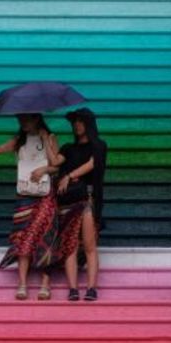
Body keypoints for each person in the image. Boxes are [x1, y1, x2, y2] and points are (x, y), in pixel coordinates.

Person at [0, 114, 63, 300]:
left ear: (36, 119)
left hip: (45, 194)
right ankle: (22, 284)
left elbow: (56, 165)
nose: (22, 122)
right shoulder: (19, 140)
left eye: (25, 119)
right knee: (23, 237)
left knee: (46, 236)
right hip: (24, 195)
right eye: (20, 120)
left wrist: (44, 165)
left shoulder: (51, 137)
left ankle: (45, 284)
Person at [47, 108, 107, 301]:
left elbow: (92, 164)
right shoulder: (67, 148)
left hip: (87, 200)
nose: (77, 125)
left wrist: (69, 176)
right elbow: (55, 161)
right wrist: (49, 140)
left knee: (89, 246)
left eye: (81, 121)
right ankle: (73, 289)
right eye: (74, 122)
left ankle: (91, 289)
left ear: (89, 124)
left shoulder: (98, 145)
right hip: (67, 202)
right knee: (70, 246)